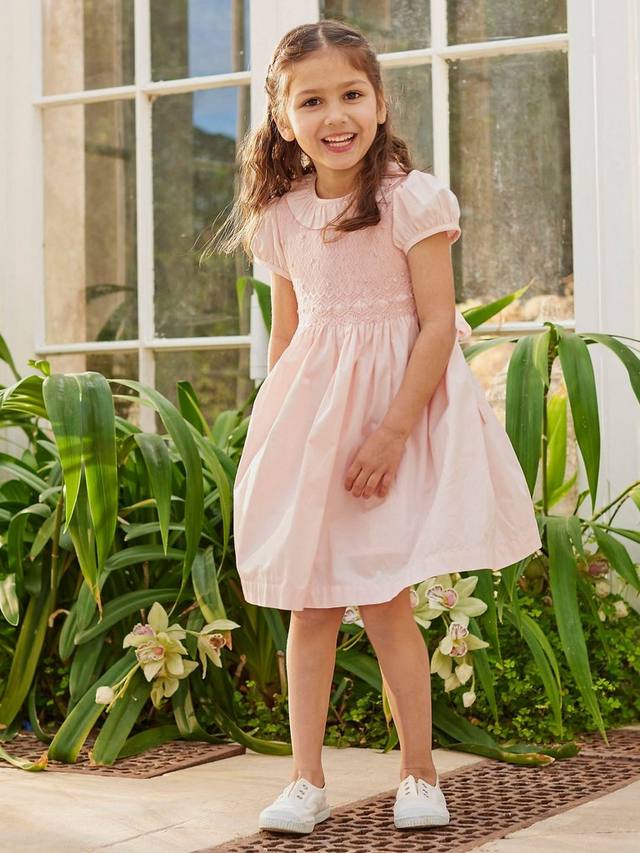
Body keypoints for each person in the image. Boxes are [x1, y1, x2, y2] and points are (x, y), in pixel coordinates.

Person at [206, 19, 542, 836]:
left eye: (351, 94)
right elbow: (288, 339)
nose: (336, 115)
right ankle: (305, 780)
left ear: (380, 102)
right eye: (312, 101)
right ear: (284, 118)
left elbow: (436, 325)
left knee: (386, 600)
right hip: (313, 433)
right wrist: (277, 437)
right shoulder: (281, 217)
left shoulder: (408, 200)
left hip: (393, 423)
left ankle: (418, 773)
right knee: (309, 607)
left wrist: (392, 434)